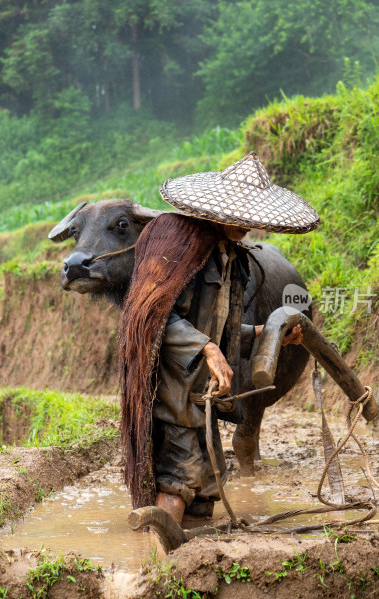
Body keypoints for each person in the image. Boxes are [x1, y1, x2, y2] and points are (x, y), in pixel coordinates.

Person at [117, 153, 319, 524]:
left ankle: (188, 561)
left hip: (205, 396)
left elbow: (225, 335)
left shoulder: (231, 259)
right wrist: (206, 347)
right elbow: (154, 317)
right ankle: (151, 562)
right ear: (216, 211)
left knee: (207, 487)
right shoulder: (179, 249)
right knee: (178, 478)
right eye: (239, 216)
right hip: (175, 392)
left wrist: (267, 333)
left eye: (251, 218)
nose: (246, 225)